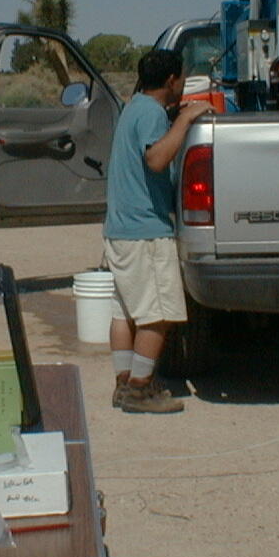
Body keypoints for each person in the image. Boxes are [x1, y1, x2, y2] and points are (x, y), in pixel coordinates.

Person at [103, 49, 213, 414]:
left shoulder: (133, 107)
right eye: (181, 79)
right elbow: (156, 158)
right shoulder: (152, 113)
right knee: (156, 314)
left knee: (125, 313)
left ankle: (123, 382)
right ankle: (139, 388)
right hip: (145, 231)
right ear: (171, 81)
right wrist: (185, 121)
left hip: (120, 229)